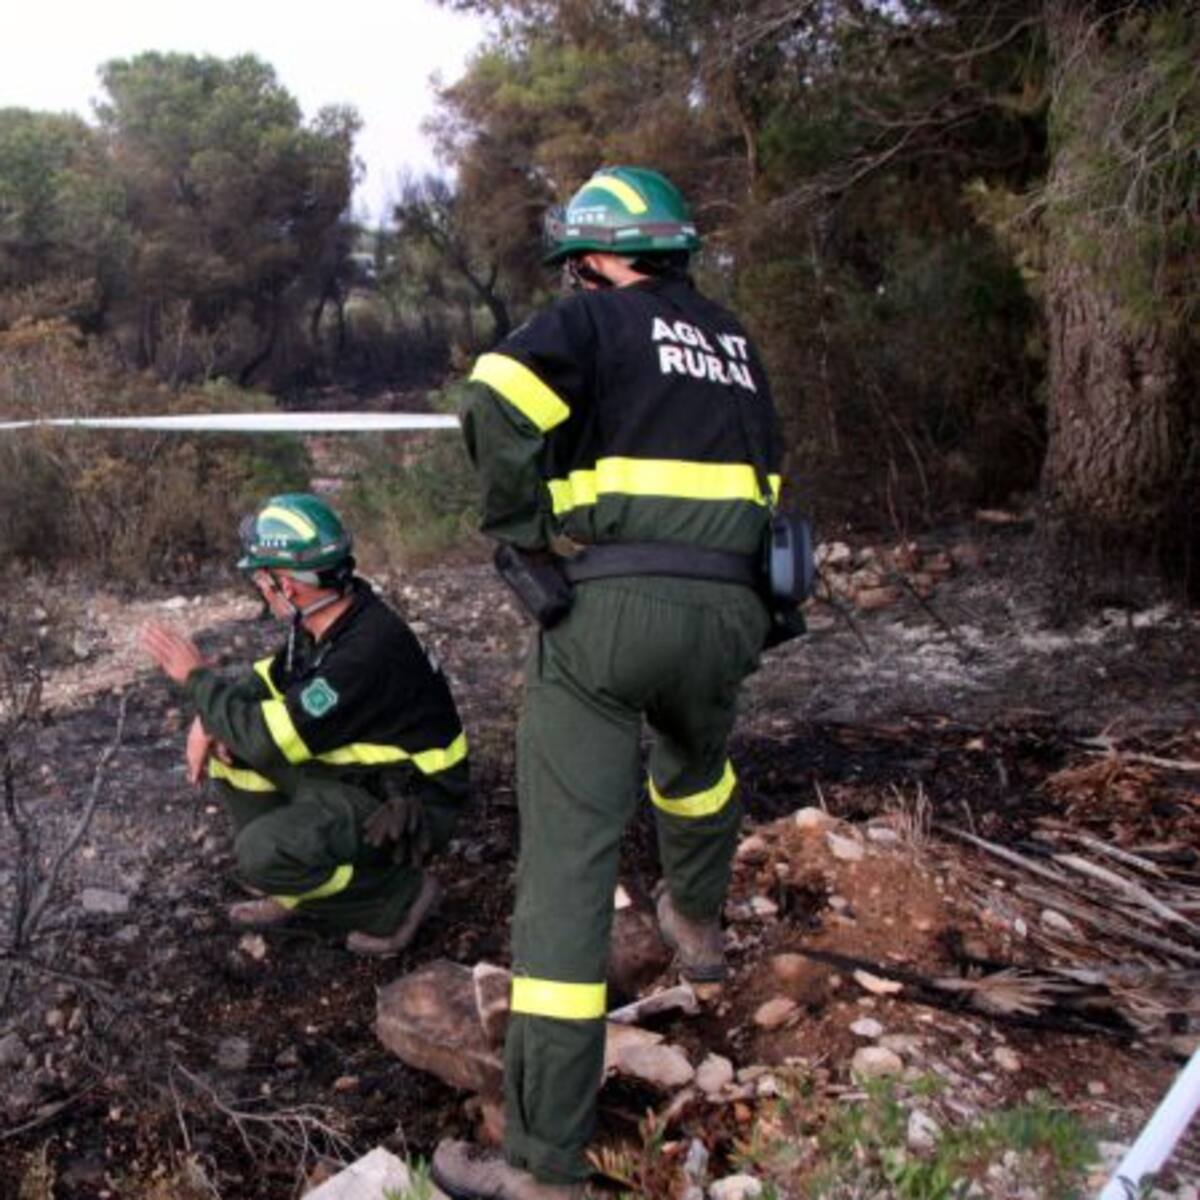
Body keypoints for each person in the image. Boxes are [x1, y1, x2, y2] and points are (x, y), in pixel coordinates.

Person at [432, 167, 783, 1200]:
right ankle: (699, 927)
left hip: (613, 611)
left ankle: (544, 1165)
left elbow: (491, 397)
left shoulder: (589, 321)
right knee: (696, 767)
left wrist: (522, 528)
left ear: (593, 257)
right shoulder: (733, 343)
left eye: (576, 264)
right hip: (735, 609)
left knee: (566, 873)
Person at [140, 492, 468, 956]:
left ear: (288, 586)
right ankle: (293, 886)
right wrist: (206, 721)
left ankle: (397, 900)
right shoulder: (331, 617)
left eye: (262, 577)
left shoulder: (362, 652)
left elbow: (267, 740)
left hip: (411, 803)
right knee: (230, 751)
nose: (260, 586)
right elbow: (268, 679)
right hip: (367, 778)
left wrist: (197, 680)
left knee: (260, 852)